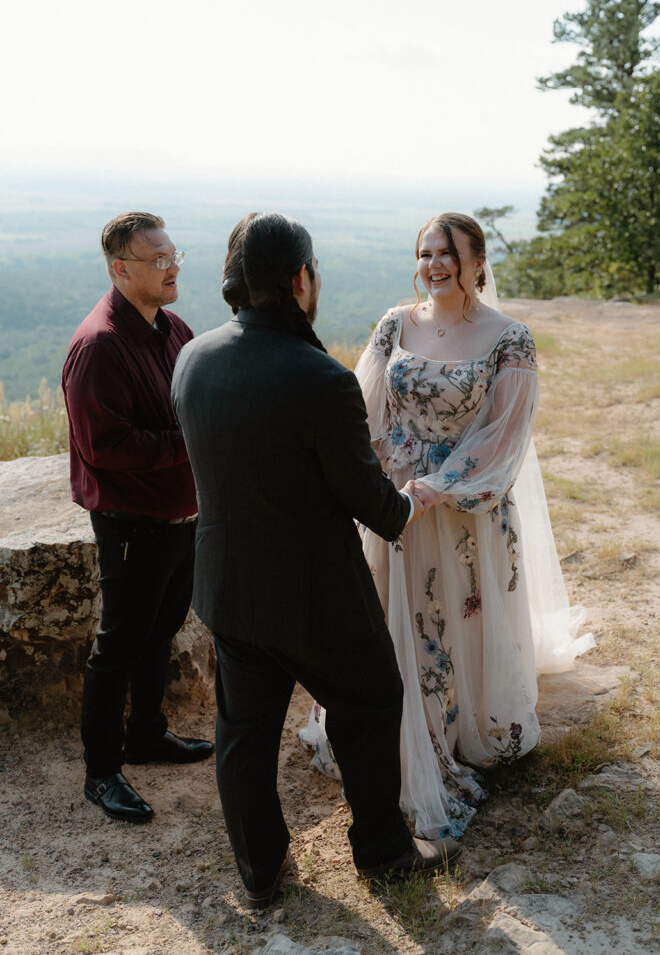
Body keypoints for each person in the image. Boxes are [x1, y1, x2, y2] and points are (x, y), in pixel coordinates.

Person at [171, 212, 460, 910]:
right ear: (300, 280)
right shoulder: (319, 378)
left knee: (243, 732)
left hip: (229, 589)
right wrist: (412, 502)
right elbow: (369, 500)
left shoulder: (194, 357)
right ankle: (382, 849)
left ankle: (259, 870)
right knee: (369, 701)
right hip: (318, 597)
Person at [301, 212, 595, 840]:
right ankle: (400, 731)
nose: (433, 265)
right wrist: (381, 480)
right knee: (397, 619)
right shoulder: (394, 324)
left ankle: (462, 728)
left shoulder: (509, 337)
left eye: (446, 254)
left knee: (460, 615)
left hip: (463, 509)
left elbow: (505, 433)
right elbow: (362, 406)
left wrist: (438, 486)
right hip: (396, 505)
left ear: (476, 262)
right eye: (425, 253)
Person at [62, 211, 214, 825]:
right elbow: (105, 445)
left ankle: (147, 735)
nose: (173, 266)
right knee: (119, 644)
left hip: (182, 515)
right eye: (159, 259)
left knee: (162, 629)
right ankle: (102, 771)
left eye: (175, 254)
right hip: (131, 521)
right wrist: (191, 442)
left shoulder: (172, 327)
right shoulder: (99, 345)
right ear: (121, 270)